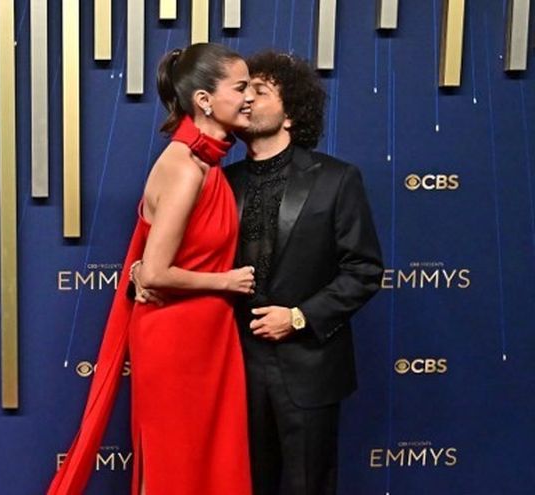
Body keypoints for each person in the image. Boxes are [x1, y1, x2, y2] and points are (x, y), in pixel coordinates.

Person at [139, 50, 384, 494]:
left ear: (290, 113)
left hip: (309, 367)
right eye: (243, 89)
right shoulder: (217, 179)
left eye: (261, 91)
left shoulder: (336, 179)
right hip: (232, 365)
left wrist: (299, 317)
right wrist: (141, 270)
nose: (247, 99)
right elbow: (180, 253)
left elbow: (363, 270)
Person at [48, 43, 255, 495]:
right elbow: (157, 273)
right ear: (204, 100)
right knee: (174, 468)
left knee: (208, 465)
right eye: (241, 88)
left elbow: (150, 267)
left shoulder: (206, 164)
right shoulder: (185, 168)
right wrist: (226, 280)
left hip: (208, 335)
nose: (249, 98)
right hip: (177, 339)